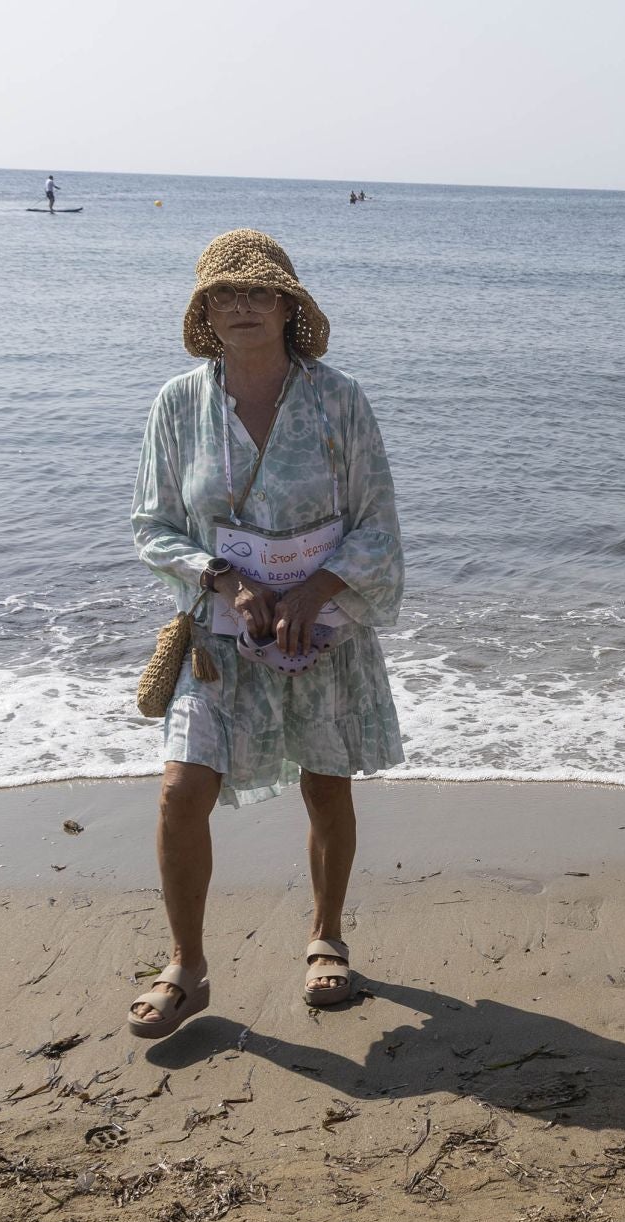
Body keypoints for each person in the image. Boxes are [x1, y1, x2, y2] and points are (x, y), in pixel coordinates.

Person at [128, 228, 405, 1038]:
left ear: (289, 307)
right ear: (205, 312)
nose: (240, 304)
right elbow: (151, 526)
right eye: (223, 293)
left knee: (325, 785)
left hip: (323, 630)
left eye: (257, 291)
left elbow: (378, 524)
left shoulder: (338, 399)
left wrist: (317, 588)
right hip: (217, 638)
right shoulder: (179, 403)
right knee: (182, 791)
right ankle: (187, 963)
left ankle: (326, 935)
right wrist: (225, 578)